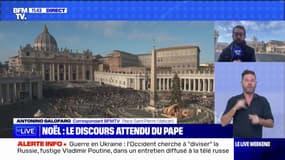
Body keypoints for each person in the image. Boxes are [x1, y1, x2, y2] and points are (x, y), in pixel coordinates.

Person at [221, 70, 274, 138]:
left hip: (256, 145)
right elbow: (223, 123)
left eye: (252, 80)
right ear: (241, 83)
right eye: (246, 80)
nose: (249, 83)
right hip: (238, 145)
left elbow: (271, 123)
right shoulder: (233, 100)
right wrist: (235, 108)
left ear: (256, 83)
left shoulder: (263, 101)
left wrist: (259, 121)